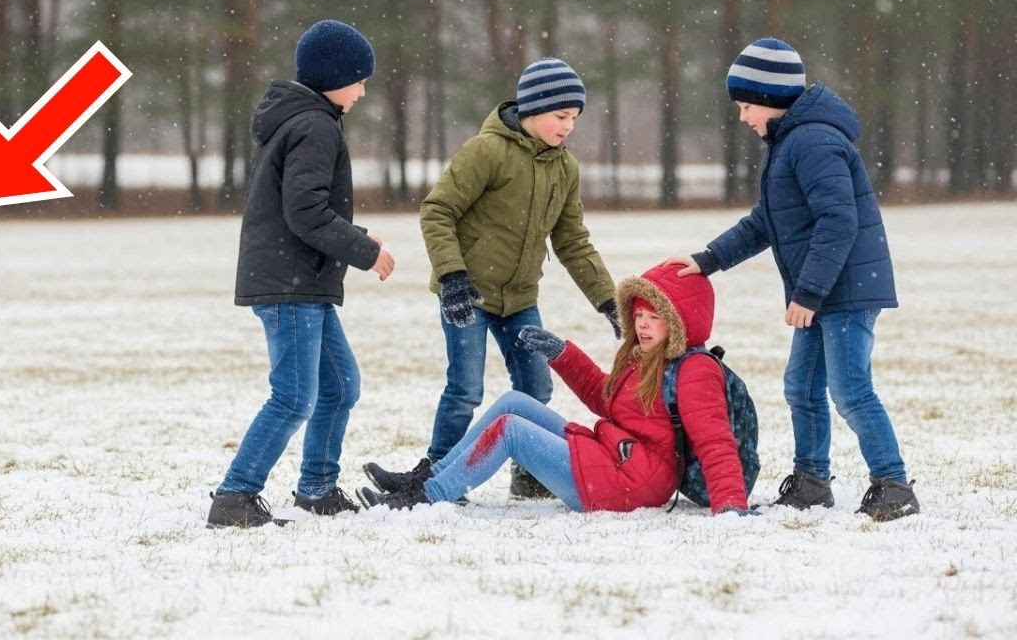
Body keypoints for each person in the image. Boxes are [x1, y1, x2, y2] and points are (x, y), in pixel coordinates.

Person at [666, 37, 920, 522]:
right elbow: (767, 222)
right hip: (824, 291)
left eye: (745, 105)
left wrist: (809, 293)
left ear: (769, 97)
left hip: (842, 291)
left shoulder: (813, 142)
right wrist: (708, 259)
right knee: (801, 388)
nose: (742, 117)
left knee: (850, 389)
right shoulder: (788, 144)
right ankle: (811, 481)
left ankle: (894, 485)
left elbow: (838, 222)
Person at [364, 58, 618, 500]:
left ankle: (528, 473)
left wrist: (608, 301)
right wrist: (453, 276)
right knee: (465, 387)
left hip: (520, 300)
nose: (568, 127)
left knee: (537, 385)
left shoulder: (565, 169)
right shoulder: (487, 151)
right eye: (561, 117)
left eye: (574, 119)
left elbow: (573, 241)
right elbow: (437, 210)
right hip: (468, 295)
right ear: (533, 109)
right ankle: (435, 474)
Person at [358, 262, 749, 515]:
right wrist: (563, 354)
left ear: (681, 322)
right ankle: (427, 478)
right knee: (515, 402)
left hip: (631, 483)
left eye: (654, 318)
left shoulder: (695, 370)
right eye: (639, 316)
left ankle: (427, 499)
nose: (643, 325)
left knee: (510, 430)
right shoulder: (643, 356)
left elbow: (716, 441)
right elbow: (607, 401)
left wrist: (731, 505)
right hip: (615, 455)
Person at [206, 19, 396, 529]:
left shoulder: (301, 120)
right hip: (291, 285)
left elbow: (302, 207)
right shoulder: (314, 125)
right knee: (294, 396)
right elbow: (305, 213)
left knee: (340, 386)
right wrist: (363, 251)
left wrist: (356, 236)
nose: (361, 90)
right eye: (358, 79)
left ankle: (316, 488)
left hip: (300, 281)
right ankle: (235, 496)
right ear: (333, 76)